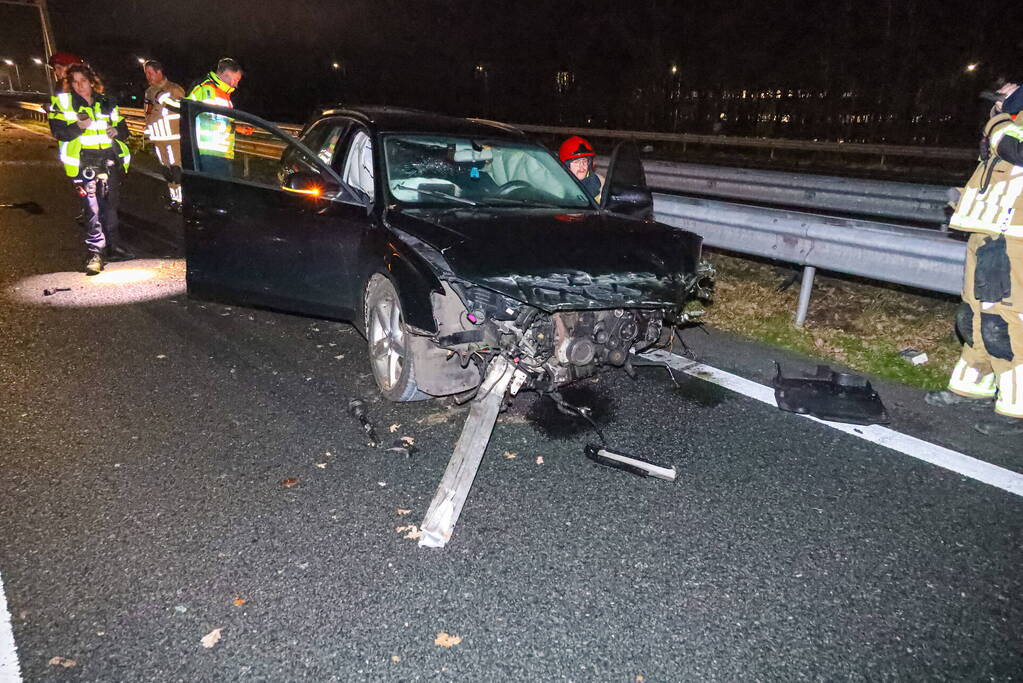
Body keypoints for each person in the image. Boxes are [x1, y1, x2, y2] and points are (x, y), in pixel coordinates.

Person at [926, 85, 1023, 435]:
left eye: (1003, 99)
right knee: (974, 314)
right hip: (987, 236)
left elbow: (1014, 149)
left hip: (1014, 241)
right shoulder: (1006, 128)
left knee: (1005, 322)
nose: (995, 106)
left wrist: (1000, 122)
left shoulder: (1007, 128)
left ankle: (1016, 409)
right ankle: (973, 386)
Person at [49, 63, 132, 274]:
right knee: (92, 209)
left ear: (91, 81)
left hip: (108, 159)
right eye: (75, 82)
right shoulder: (63, 103)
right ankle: (96, 252)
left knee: (111, 206)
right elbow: (58, 132)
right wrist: (78, 127)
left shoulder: (107, 102)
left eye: (83, 81)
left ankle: (115, 246)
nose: (79, 86)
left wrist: (117, 131)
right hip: (83, 162)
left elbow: (124, 129)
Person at [186, 57, 245, 176]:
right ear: (225, 74)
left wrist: (237, 128)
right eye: (235, 79)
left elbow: (218, 120)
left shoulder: (224, 94)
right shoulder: (204, 88)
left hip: (221, 153)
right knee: (212, 191)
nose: (236, 84)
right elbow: (185, 110)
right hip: (207, 153)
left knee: (219, 191)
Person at [142, 59, 186, 211]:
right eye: (146, 73)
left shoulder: (173, 89)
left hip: (173, 137)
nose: (148, 76)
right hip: (158, 138)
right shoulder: (149, 91)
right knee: (167, 171)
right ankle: (174, 199)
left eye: (150, 73)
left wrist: (164, 98)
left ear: (159, 72)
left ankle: (182, 201)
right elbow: (148, 113)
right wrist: (148, 130)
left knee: (176, 169)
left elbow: (183, 108)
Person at [559, 135, 603, 201]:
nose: (581, 165)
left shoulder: (601, 184)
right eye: (576, 162)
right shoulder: (557, 187)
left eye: (584, 161)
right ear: (566, 166)